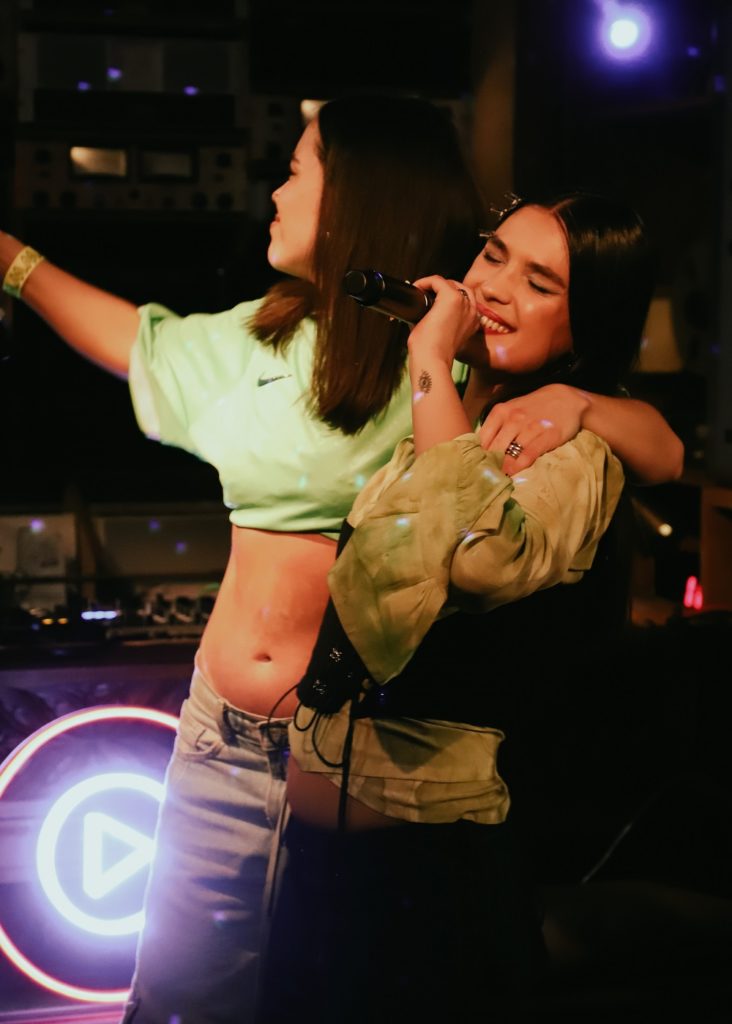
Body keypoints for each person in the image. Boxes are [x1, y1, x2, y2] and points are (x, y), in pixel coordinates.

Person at [0, 95, 680, 1022]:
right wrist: (15, 262)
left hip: (363, 769)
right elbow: (141, 346)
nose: (275, 190)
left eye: (297, 170)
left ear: (358, 199)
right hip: (230, 734)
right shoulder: (303, 341)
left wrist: (584, 402)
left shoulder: (463, 371)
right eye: (493, 256)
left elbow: (641, 454)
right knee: (180, 1000)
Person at [259, 192, 662, 1023]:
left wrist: (430, 363)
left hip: (433, 883)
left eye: (541, 283)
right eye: (493, 256)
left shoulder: (570, 450)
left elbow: (476, 558)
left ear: (587, 322)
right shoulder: (453, 428)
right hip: (329, 867)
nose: (497, 287)